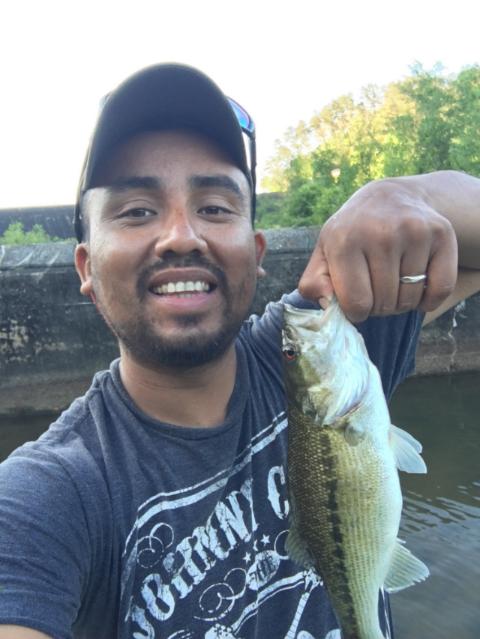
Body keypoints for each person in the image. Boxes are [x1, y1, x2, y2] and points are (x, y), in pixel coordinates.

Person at [0, 63, 479, 639]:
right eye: (136, 211)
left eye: (214, 207)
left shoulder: (321, 350)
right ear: (86, 267)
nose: (181, 235)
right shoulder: (44, 497)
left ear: (256, 253)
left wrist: (405, 195)